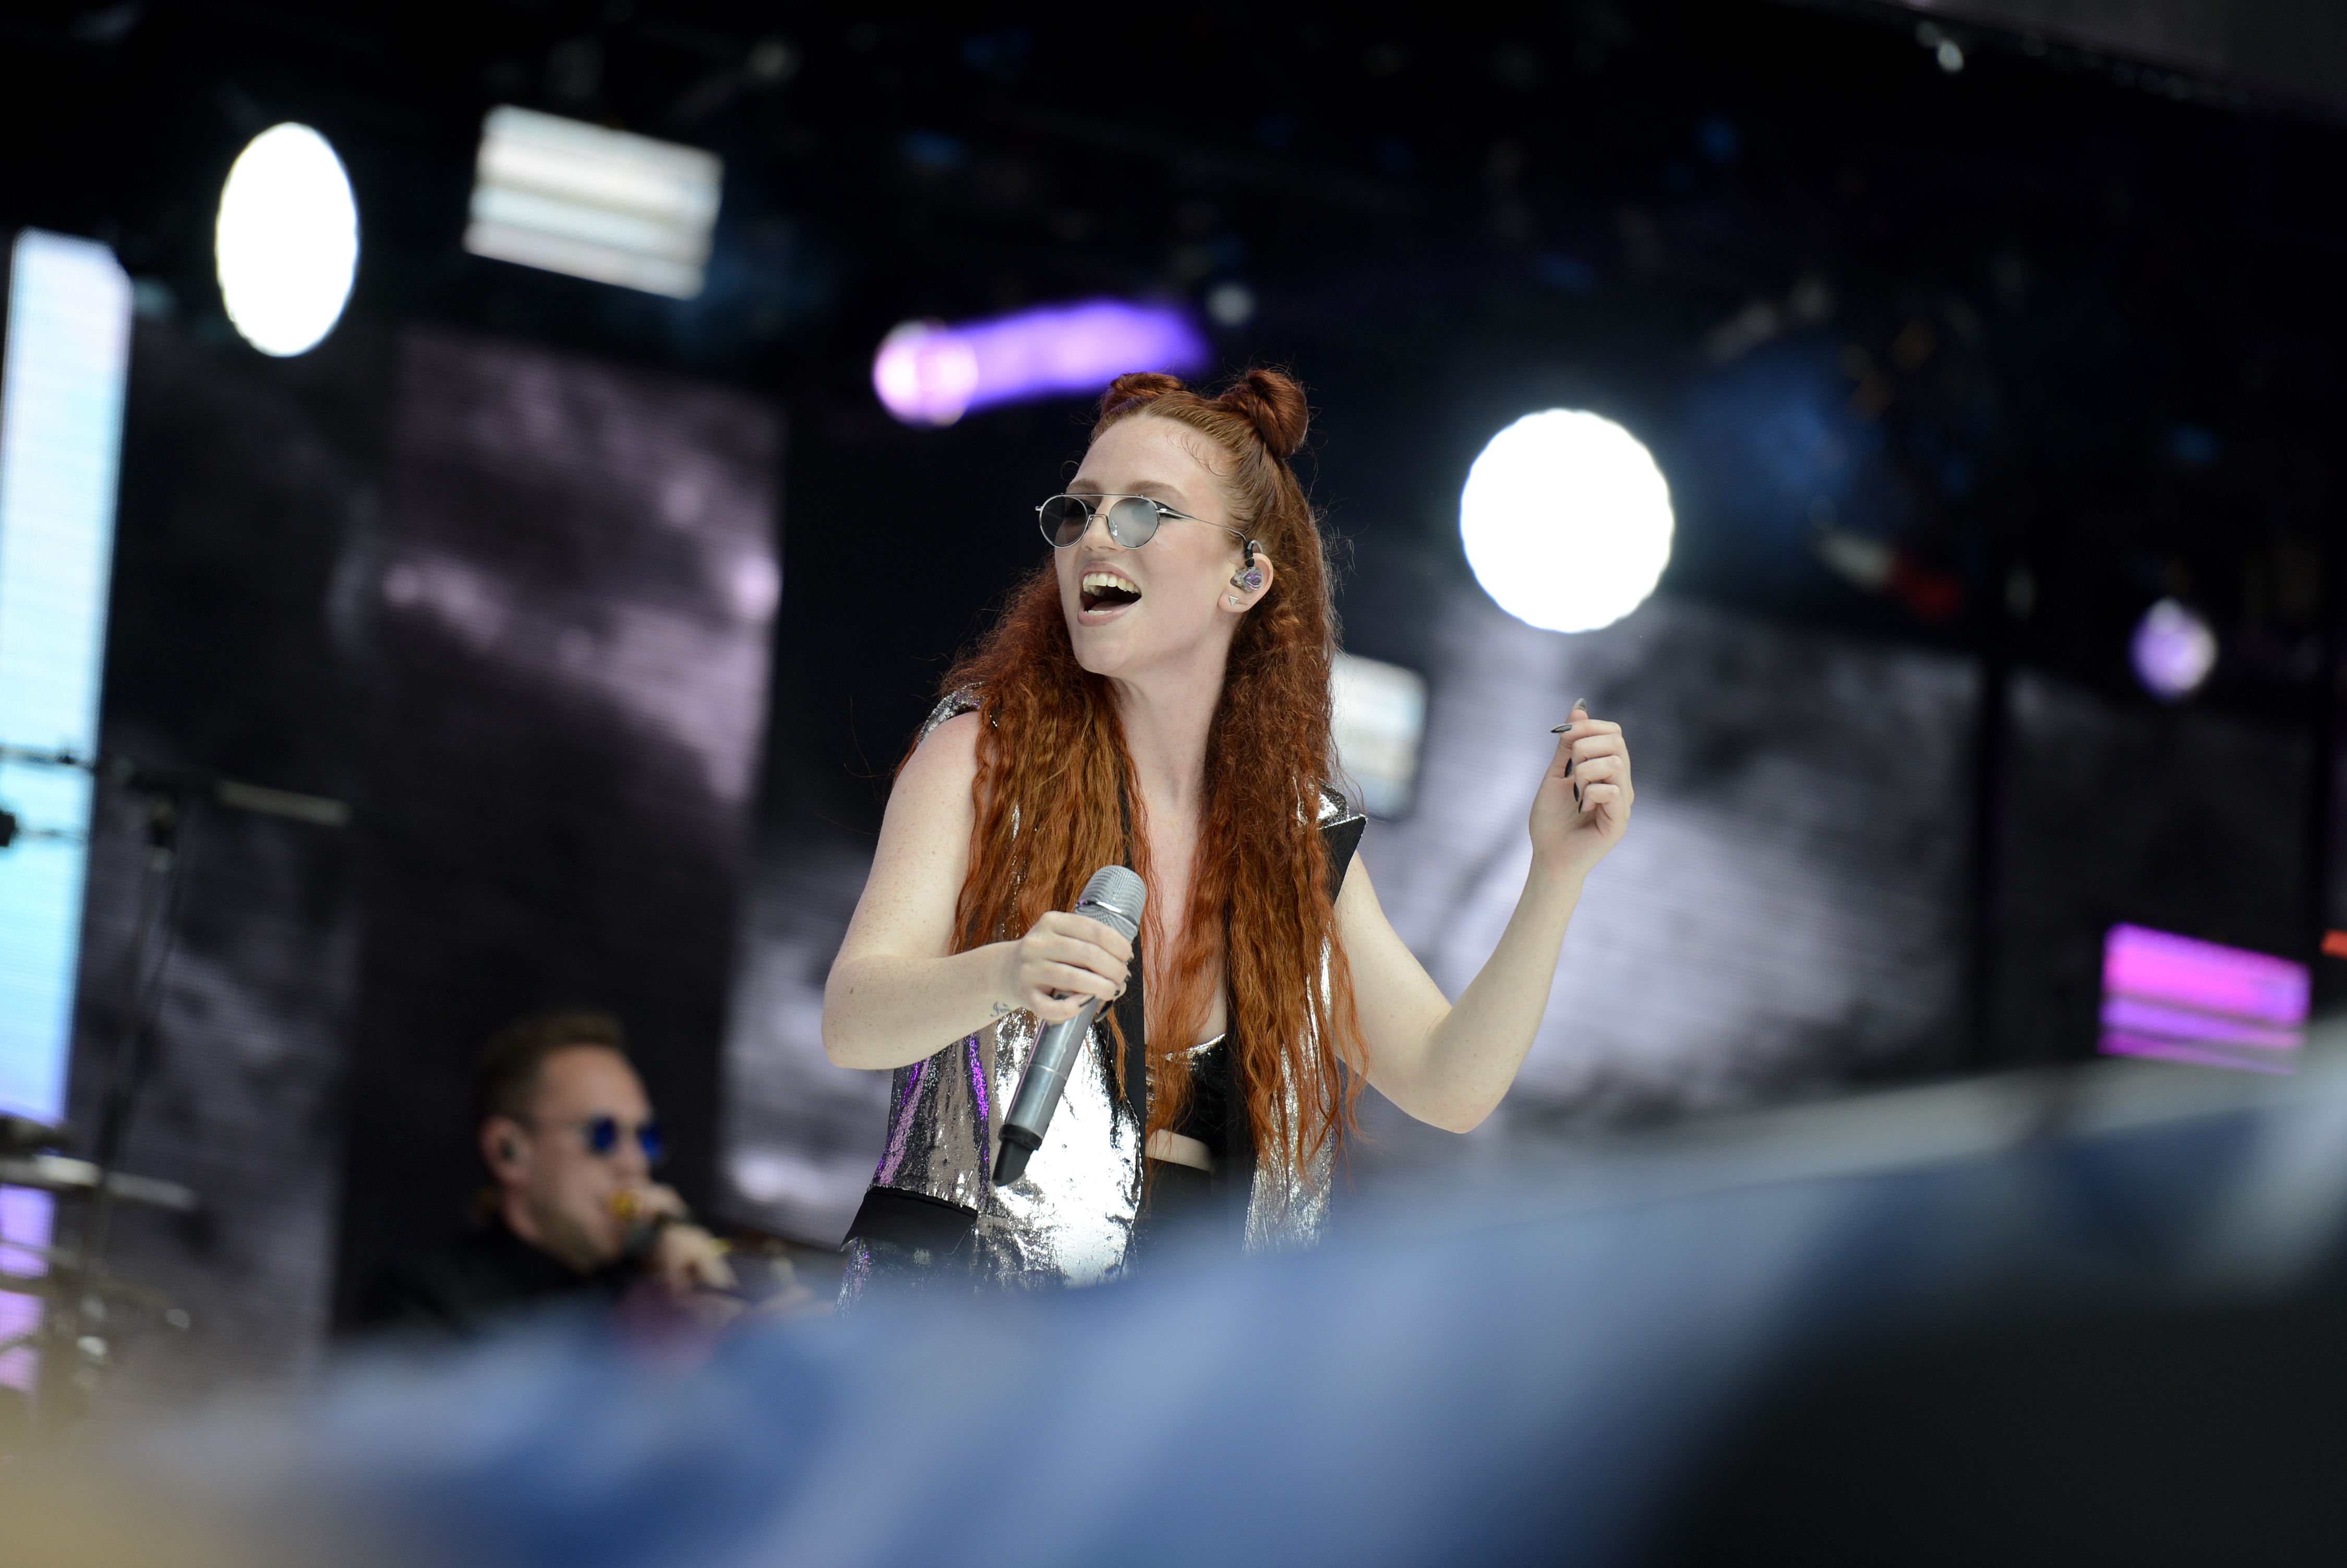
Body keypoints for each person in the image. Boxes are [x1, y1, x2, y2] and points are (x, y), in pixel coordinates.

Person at [822, 368, 1634, 1299]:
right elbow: (851, 1020)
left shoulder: (1295, 837)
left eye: (1143, 512)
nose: (1096, 535)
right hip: (959, 1328)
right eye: (1079, 509)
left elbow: (1449, 1084)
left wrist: (1556, 872)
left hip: (1194, 1343)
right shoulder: (980, 754)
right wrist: (1003, 974)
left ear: (1244, 576)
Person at [354, 1009, 743, 1337]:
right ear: (509, 1152)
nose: (634, 1163)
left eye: (647, 1138)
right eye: (602, 1135)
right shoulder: (421, 1298)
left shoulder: (648, 1298)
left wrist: (710, 1319)